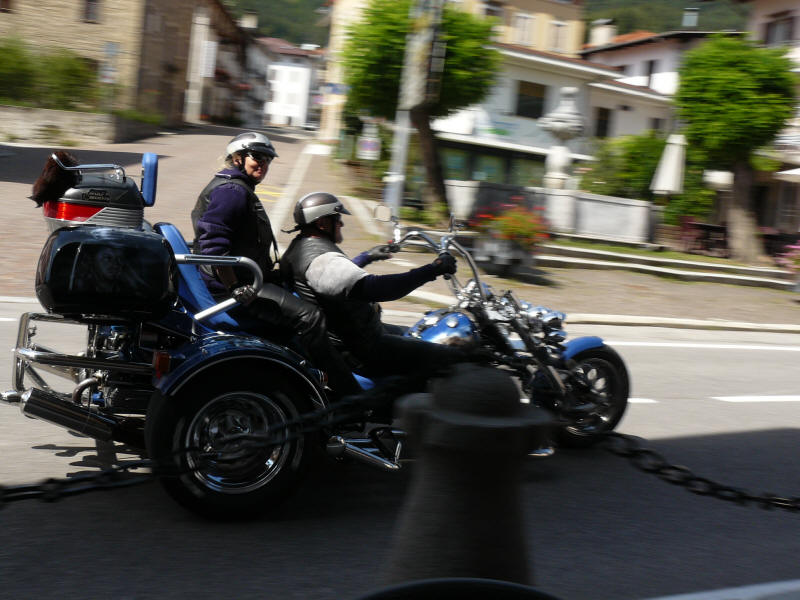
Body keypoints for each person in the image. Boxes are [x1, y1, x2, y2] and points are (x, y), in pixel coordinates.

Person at [191, 132, 362, 399]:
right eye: (257, 157)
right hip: (237, 287)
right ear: (237, 158)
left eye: (267, 159)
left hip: (246, 278)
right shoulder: (232, 191)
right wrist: (235, 286)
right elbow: (215, 247)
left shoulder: (237, 187)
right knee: (311, 317)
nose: (263, 165)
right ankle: (351, 397)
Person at [280, 191, 484, 382]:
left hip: (360, 332)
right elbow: (377, 288)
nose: (341, 223)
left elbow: (337, 281)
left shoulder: (301, 247)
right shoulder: (319, 260)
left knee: (420, 331)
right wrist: (432, 270)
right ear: (323, 223)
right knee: (455, 357)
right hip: (364, 346)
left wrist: (367, 256)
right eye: (337, 219)